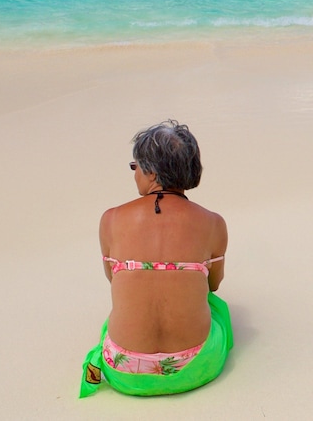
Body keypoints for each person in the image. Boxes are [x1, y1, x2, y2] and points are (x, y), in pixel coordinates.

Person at [80, 120, 232, 397]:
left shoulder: (111, 219)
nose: (134, 173)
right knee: (218, 309)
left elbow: (112, 278)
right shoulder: (213, 223)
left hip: (126, 372)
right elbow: (213, 286)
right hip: (196, 367)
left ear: (150, 170)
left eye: (134, 166)